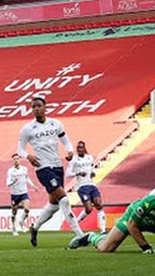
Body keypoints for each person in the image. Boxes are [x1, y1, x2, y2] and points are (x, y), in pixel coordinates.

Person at [17, 97, 83, 247]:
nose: (35, 109)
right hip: (43, 168)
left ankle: (35, 228)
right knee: (64, 200)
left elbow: (65, 139)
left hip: (57, 166)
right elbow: (19, 150)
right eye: (33, 107)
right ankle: (80, 235)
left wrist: (70, 151)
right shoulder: (27, 129)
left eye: (38, 106)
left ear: (45, 107)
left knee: (54, 205)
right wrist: (28, 156)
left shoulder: (56, 124)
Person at [70, 183, 155, 253]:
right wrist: (146, 247)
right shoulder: (149, 202)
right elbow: (132, 226)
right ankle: (91, 237)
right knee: (106, 248)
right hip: (134, 221)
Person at [66, 140, 106, 233]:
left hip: (92, 184)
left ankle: (103, 230)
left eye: (81, 147)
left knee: (99, 204)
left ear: (84, 148)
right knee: (89, 209)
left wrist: (93, 172)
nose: (79, 149)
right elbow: (67, 174)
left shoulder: (89, 158)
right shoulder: (74, 160)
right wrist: (78, 173)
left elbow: (93, 168)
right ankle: (76, 222)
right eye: (78, 148)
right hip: (82, 186)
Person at [6, 154, 38, 236]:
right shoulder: (10, 171)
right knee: (14, 212)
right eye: (14, 159)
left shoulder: (24, 169)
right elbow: (8, 183)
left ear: (20, 159)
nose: (16, 160)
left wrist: (33, 186)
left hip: (23, 192)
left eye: (17, 159)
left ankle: (21, 222)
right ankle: (13, 228)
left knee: (27, 209)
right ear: (13, 161)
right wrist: (13, 181)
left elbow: (27, 178)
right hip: (15, 194)